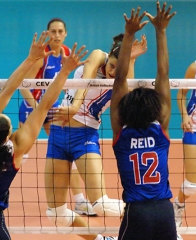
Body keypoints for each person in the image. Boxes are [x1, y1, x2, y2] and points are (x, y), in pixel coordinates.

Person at [0, 31, 89, 240]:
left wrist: (30, 59)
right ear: (8, 137)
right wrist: (64, 72)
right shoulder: (14, 151)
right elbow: (43, 107)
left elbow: (5, 91)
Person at [44, 23, 147, 227]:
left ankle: (157, 217)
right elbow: (87, 79)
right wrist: (74, 106)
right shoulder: (99, 55)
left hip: (85, 136)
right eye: (112, 66)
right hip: (58, 134)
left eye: (119, 69)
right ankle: (100, 238)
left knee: (101, 205)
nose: (113, 72)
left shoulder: (122, 77)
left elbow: (127, 101)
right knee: (56, 214)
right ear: (109, 57)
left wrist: (131, 61)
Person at [110, 2, 179, 240]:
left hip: (137, 212)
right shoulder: (162, 130)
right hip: (164, 211)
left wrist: (128, 34)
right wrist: (161, 31)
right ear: (156, 110)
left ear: (125, 110)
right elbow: (164, 73)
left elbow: (119, 78)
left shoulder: (121, 134)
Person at [19, 18, 94, 215]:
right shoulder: (42, 56)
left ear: (65, 33)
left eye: (60, 31)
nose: (57, 35)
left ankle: (79, 200)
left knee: (65, 146)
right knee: (18, 155)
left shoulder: (67, 54)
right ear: (48, 33)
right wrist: (37, 109)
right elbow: (23, 86)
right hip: (31, 108)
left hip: (51, 107)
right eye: (53, 31)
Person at [173, 52, 196, 227]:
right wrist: (184, 116)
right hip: (195, 128)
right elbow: (181, 94)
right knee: (193, 185)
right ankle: (178, 204)